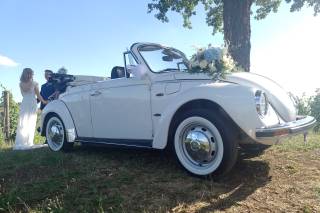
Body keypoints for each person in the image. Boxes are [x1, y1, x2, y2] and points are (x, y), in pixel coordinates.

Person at [14, 68, 47, 150]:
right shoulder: (34, 83)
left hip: (24, 102)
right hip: (32, 102)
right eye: (30, 74)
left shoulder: (21, 83)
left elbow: (23, 95)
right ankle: (28, 142)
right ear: (27, 74)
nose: (31, 75)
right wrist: (44, 102)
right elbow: (38, 95)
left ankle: (22, 142)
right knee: (30, 121)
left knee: (24, 121)